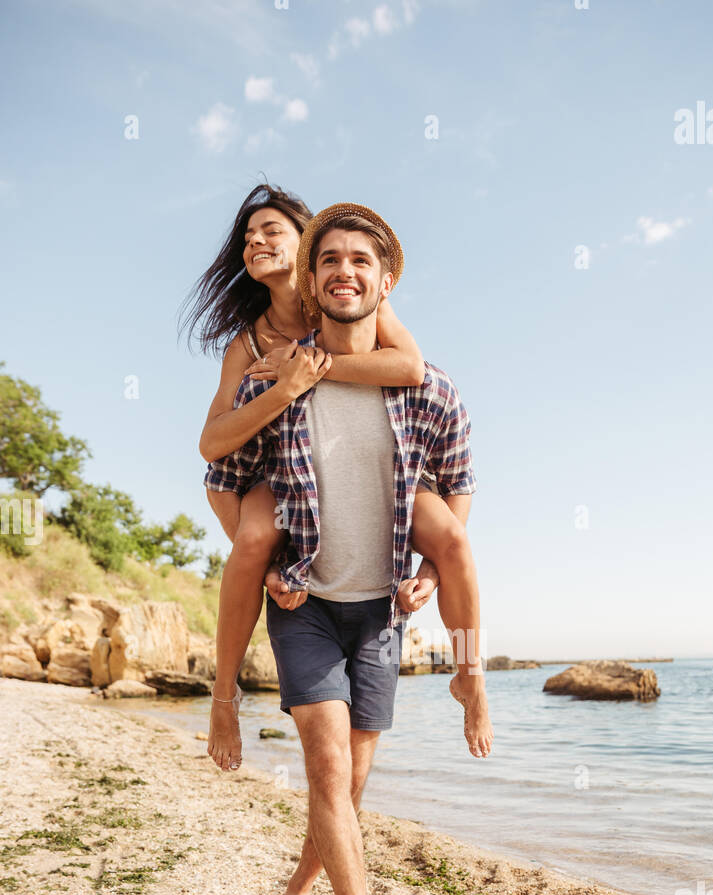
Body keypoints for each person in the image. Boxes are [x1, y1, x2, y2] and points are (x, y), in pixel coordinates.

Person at [216, 203, 485, 895]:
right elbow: (221, 468)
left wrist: (431, 576)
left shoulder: (430, 389)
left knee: (351, 788)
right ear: (312, 276)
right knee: (329, 771)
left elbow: (459, 489)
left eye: (360, 262)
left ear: (384, 281)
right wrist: (256, 544)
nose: (344, 271)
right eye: (329, 259)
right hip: (304, 606)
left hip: (380, 613)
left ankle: (299, 889)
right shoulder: (277, 377)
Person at [183, 184, 492, 771]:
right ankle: (224, 695)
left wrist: (317, 368)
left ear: (302, 242)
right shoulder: (248, 344)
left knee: (452, 540)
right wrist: (286, 387)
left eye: (271, 230)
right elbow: (213, 448)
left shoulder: (351, 287)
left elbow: (409, 368)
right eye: (248, 237)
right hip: (286, 466)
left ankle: (471, 673)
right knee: (251, 542)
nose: (255, 242)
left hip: (388, 466)